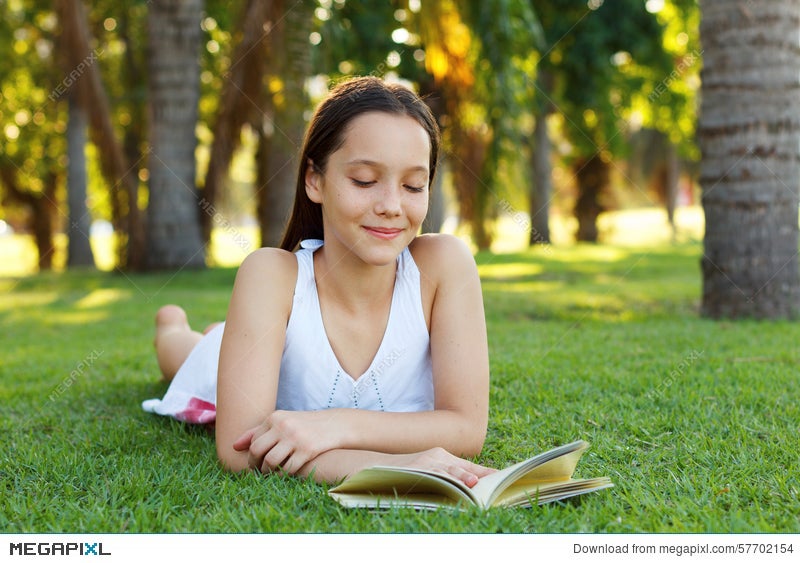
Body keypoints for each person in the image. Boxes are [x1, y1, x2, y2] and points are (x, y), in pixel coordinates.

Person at [143, 76, 493, 488]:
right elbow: (239, 451)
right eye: (364, 180)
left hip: (261, 340)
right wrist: (403, 465)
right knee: (190, 355)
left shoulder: (444, 265)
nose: (391, 206)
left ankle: (217, 334)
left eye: (413, 185)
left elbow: (466, 429)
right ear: (314, 179)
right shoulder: (271, 275)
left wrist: (335, 426)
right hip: (243, 347)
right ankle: (173, 325)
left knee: (223, 341)